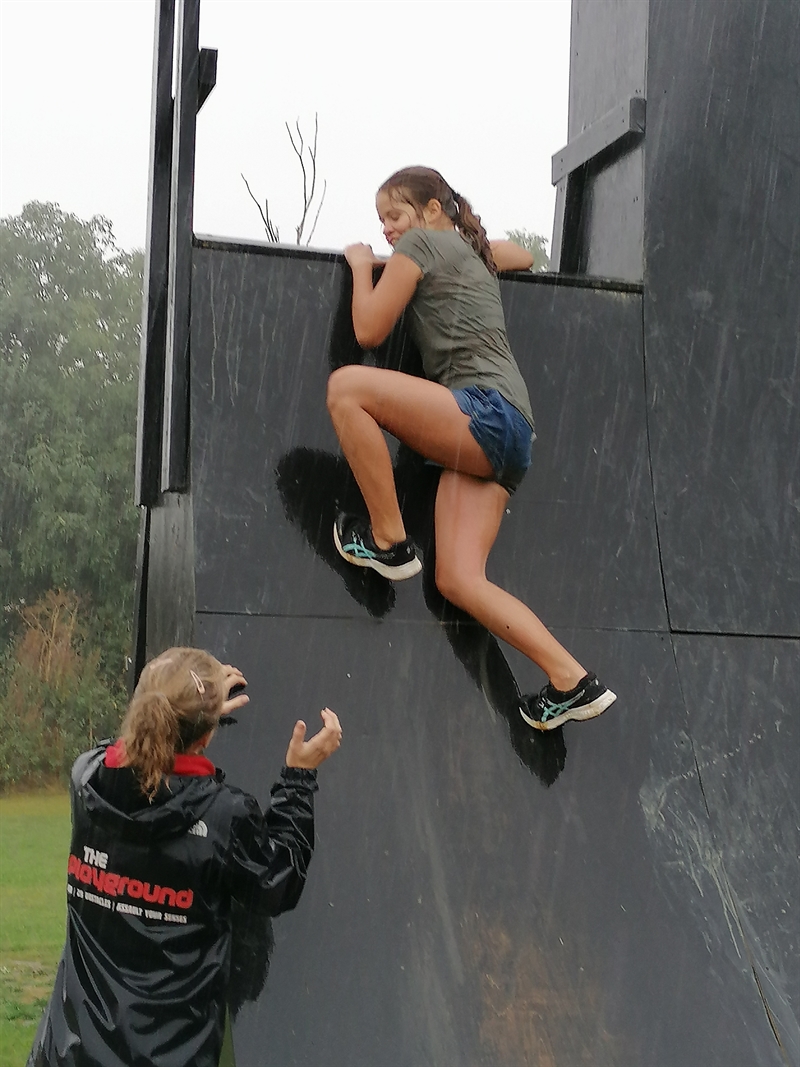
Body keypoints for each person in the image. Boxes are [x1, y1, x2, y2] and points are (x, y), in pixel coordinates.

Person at [327, 165, 615, 731]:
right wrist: (461, 238)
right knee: (458, 579)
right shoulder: (467, 250)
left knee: (347, 389)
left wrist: (363, 267)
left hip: (482, 412)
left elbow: (368, 330)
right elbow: (520, 256)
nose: (387, 229)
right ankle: (571, 680)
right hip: (512, 434)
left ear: (432, 210)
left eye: (396, 215)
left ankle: (388, 541)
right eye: (380, 221)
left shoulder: (421, 244)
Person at [28, 646, 342, 1067]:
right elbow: (277, 883)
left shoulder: (86, 778)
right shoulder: (223, 816)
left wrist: (193, 708)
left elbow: (122, 751)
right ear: (206, 736)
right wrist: (298, 779)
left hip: (68, 1054)